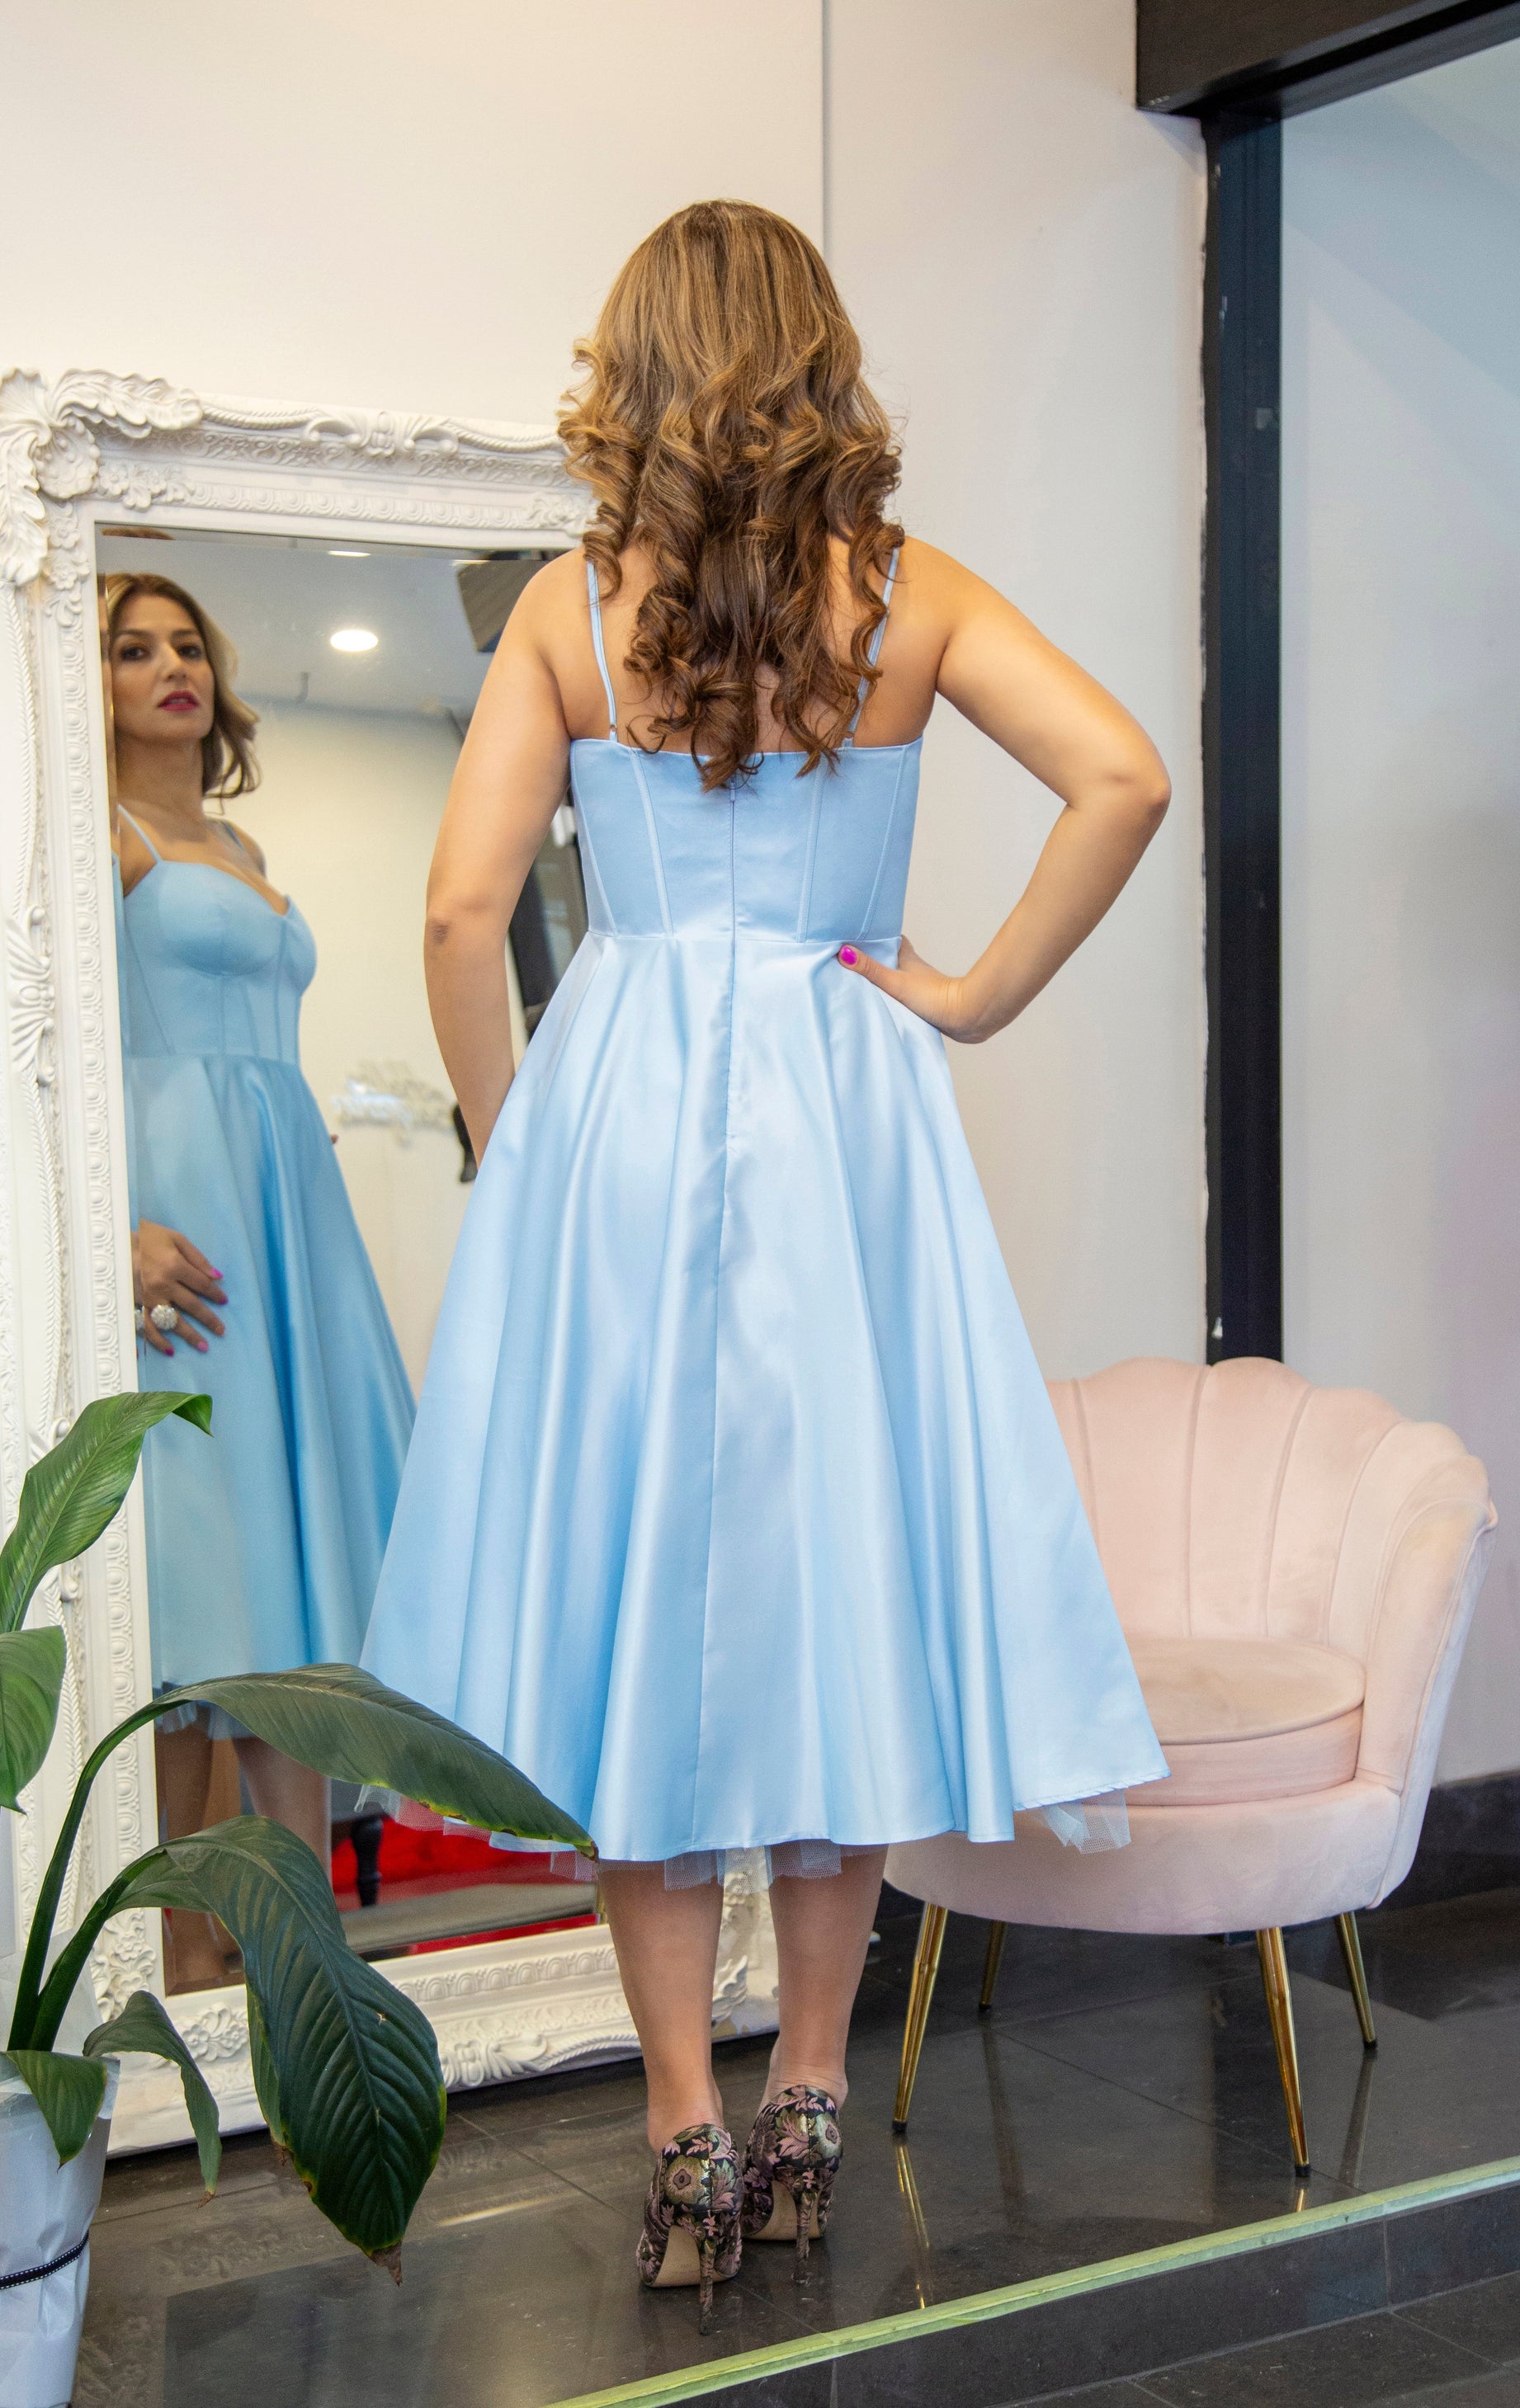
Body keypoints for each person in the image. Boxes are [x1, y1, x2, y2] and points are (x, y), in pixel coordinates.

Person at [361, 200, 1171, 2316]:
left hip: (618, 1099)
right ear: (819, 359)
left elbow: (461, 921)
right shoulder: (900, 597)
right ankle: (812, 2091)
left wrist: (510, 1133)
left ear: (630, 362)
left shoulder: (570, 610)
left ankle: (675, 2128)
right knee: (833, 1585)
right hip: (840, 1104)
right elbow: (1123, 772)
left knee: (642, 1608)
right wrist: (972, 993)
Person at [106, 570, 416, 1990]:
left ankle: (311, 1952)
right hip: (182, 1224)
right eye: (130, 648)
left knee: (289, 1580)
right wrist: (108, 1230)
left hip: (288, 1204)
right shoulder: (82, 837)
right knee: (205, 1569)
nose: (170, 666)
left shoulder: (231, 836)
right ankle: (180, 1947)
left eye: (186, 644)